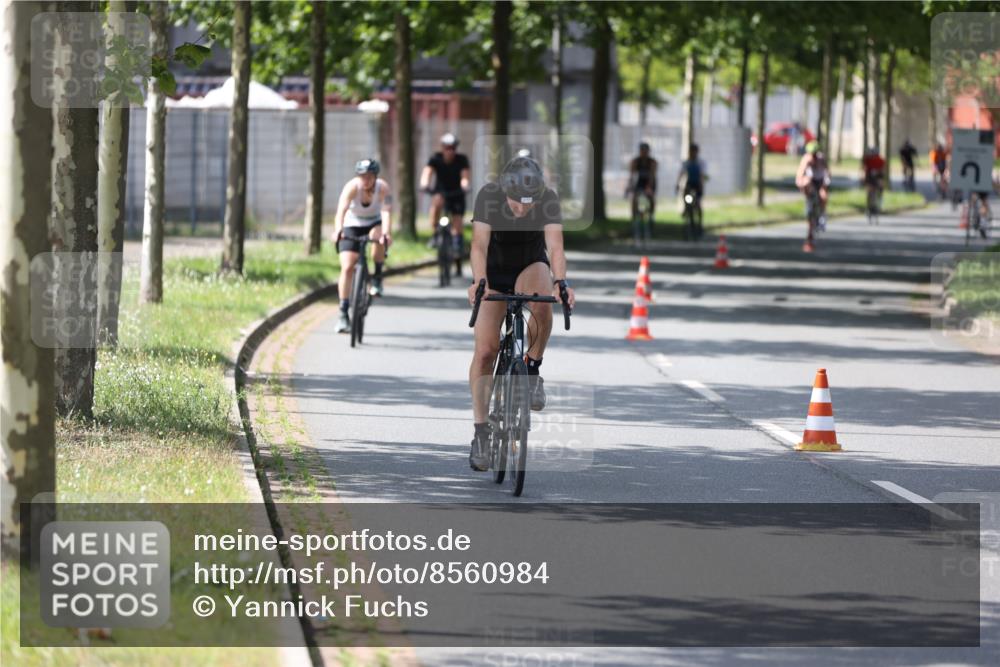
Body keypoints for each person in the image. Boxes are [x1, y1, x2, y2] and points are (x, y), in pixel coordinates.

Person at [466, 156, 576, 471]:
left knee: (543, 303)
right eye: (516, 203)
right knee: (486, 351)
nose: (522, 209)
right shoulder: (488, 196)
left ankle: (532, 367)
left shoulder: (548, 199)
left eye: (529, 204)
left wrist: (561, 282)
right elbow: (478, 245)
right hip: (495, 270)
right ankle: (481, 431)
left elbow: (555, 247)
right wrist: (479, 281)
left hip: (529, 263)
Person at [332, 159, 392, 334]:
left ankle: (377, 276)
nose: (365, 180)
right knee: (347, 266)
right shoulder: (351, 187)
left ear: (375, 176)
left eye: (369, 176)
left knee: (379, 237)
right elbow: (341, 211)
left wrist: (387, 234)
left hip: (374, 223)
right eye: (362, 176)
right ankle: (343, 312)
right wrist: (338, 230)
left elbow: (386, 213)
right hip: (353, 224)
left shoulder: (383, 188)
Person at [420, 133, 471, 270]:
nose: (450, 151)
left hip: (456, 194)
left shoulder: (462, 159)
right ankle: (435, 233)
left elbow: (465, 176)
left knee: (457, 220)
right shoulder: (435, 158)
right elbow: (427, 173)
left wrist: (465, 185)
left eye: (453, 148)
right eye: (447, 148)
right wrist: (424, 184)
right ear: (442, 148)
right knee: (436, 202)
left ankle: (457, 244)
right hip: (440, 192)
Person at [795, 141, 831, 251]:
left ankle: (823, 216)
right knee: (806, 183)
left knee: (823, 195)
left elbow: (828, 172)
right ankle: (810, 211)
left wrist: (826, 183)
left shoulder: (821, 159)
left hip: (820, 180)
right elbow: (799, 176)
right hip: (811, 183)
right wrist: (802, 186)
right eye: (812, 154)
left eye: (815, 153)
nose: (813, 156)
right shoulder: (806, 159)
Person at [628, 142, 658, 222]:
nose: (644, 152)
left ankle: (651, 216)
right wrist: (630, 187)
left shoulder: (652, 162)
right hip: (638, 184)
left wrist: (650, 187)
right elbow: (632, 175)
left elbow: (652, 175)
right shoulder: (635, 161)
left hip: (648, 184)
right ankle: (634, 217)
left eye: (645, 150)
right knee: (634, 199)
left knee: (651, 198)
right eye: (642, 150)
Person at [861, 146, 886, 210]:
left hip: (873, 177)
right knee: (878, 188)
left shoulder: (868, 159)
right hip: (873, 177)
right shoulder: (878, 160)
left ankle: (872, 203)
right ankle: (879, 202)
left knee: (874, 189)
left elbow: (863, 169)